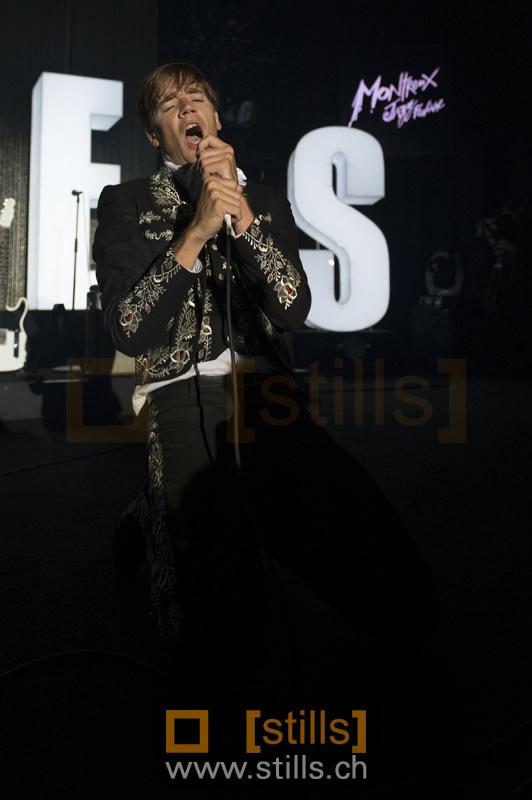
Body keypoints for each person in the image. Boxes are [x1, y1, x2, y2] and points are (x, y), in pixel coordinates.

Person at [93, 63, 436, 693]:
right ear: (154, 134)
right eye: (169, 105)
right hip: (181, 391)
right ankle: (151, 521)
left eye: (196, 98)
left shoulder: (266, 199)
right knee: (220, 599)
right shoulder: (127, 202)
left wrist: (241, 215)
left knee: (376, 547)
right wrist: (196, 231)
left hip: (267, 392)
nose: (186, 108)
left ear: (216, 119)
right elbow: (128, 329)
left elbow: (293, 306)